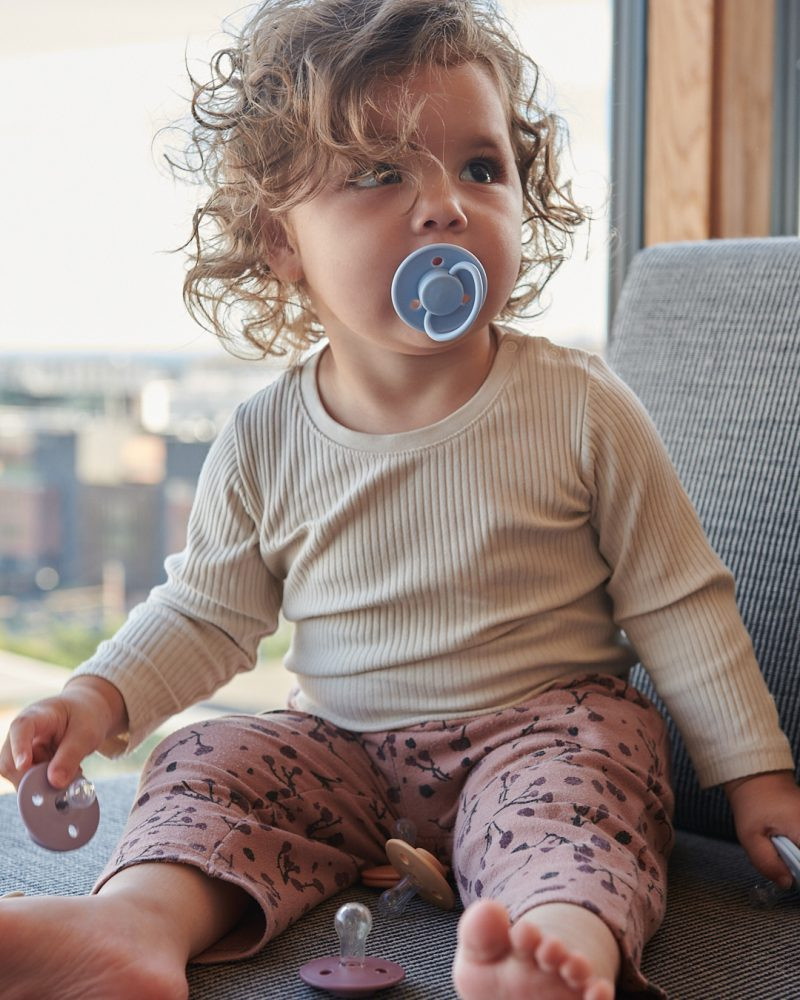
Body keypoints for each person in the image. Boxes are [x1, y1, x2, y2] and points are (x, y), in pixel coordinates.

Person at [2, 2, 799, 998]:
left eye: (481, 167)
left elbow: (677, 602)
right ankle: (131, 927)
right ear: (280, 240)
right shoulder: (263, 436)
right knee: (208, 758)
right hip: (338, 753)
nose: (445, 206)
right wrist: (96, 697)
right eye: (380, 172)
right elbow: (205, 614)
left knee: (585, 789)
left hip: (542, 732)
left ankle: (552, 948)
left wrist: (755, 773)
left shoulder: (578, 405)